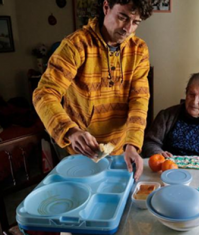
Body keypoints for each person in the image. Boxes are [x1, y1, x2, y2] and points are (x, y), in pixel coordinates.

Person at [33, 0, 153, 181]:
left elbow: (140, 99)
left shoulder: (139, 50)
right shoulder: (76, 45)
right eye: (123, 17)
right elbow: (44, 93)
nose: (128, 28)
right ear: (106, 8)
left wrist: (133, 144)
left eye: (135, 22)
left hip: (121, 149)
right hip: (80, 150)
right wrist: (70, 131)